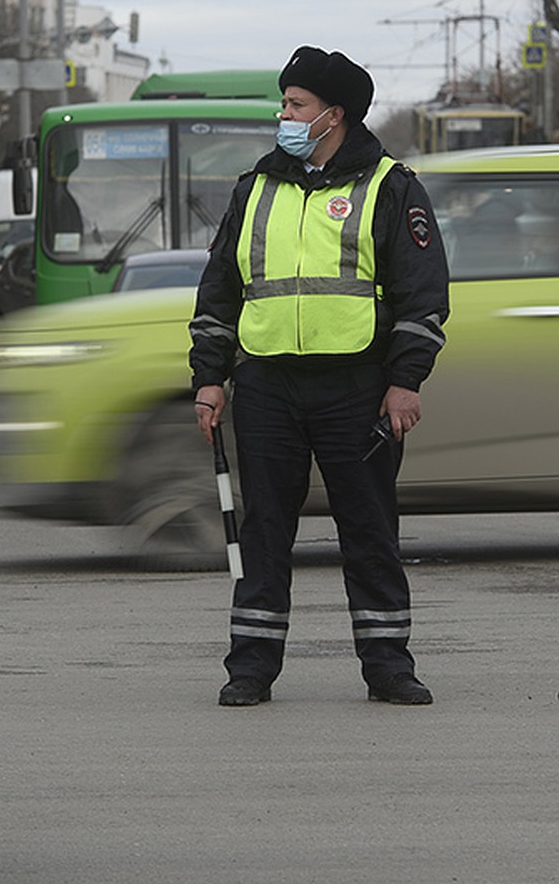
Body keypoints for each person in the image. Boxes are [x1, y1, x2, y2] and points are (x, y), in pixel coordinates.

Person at [190, 45, 450, 708]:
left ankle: (389, 665)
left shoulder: (391, 186)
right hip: (268, 389)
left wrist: (406, 380)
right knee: (265, 531)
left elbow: (423, 294)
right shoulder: (256, 188)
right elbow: (220, 289)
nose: (284, 114)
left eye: (295, 104)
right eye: (285, 103)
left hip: (357, 389)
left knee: (369, 530)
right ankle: (249, 668)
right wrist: (209, 377)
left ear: (333, 116)